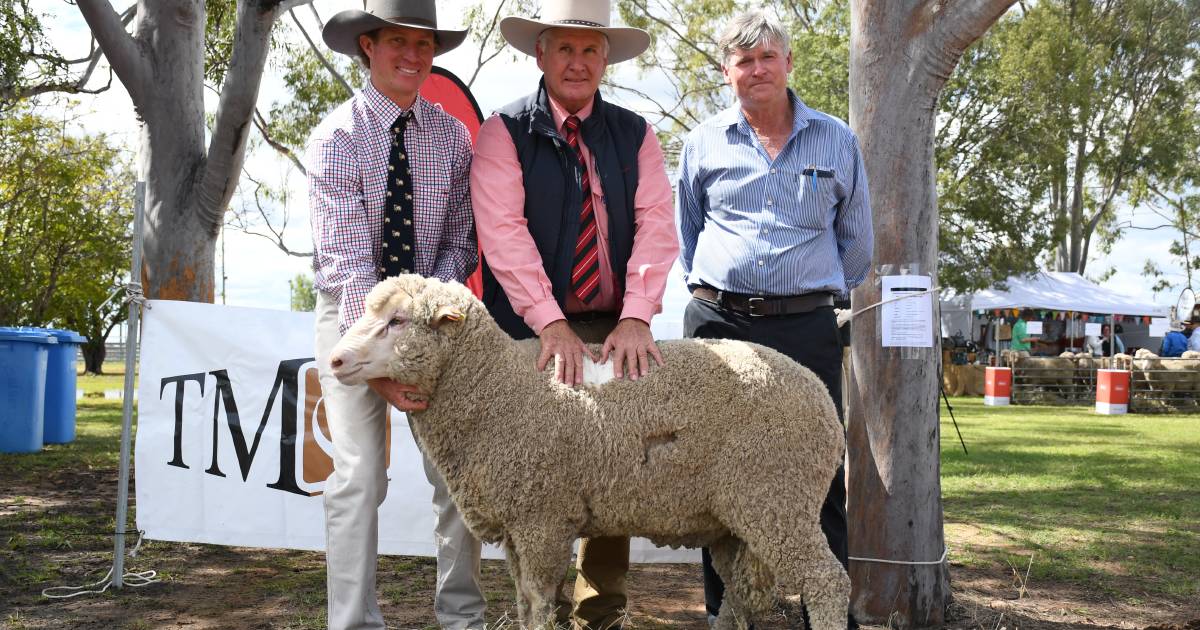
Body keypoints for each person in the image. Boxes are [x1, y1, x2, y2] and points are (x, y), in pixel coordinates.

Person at [470, 0, 677, 626]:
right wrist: (549, 321)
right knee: (533, 478)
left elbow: (657, 226)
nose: (578, 61)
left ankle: (601, 611)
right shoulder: (502, 131)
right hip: (527, 333)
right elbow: (502, 232)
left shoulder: (636, 133)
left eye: (591, 49)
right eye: (565, 48)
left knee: (614, 469)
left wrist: (638, 315)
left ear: (606, 58)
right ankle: (539, 608)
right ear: (541, 54)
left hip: (615, 325)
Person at [675, 9, 871, 628]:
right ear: (727, 72)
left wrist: (805, 291)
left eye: (766, 57)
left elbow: (857, 245)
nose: (755, 70)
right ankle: (723, 614)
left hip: (802, 327)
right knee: (709, 472)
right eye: (742, 61)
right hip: (717, 325)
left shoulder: (837, 140)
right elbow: (688, 234)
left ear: (787, 63)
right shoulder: (702, 142)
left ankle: (827, 614)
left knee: (818, 465)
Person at [309, 2, 484, 628]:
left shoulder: (453, 136)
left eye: (423, 43)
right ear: (368, 47)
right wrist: (381, 363)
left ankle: (461, 615)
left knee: (456, 475)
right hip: (353, 320)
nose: (413, 55)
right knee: (358, 478)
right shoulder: (337, 137)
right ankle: (352, 621)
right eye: (397, 42)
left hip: (433, 327)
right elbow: (347, 262)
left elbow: (463, 240)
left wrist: (422, 332)